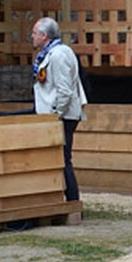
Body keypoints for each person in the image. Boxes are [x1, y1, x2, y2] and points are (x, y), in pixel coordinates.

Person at [31, 16, 88, 211]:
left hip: (63, 116)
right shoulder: (50, 53)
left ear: (44, 35)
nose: (32, 37)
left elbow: (65, 90)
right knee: (59, 158)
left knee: (63, 159)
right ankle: (65, 200)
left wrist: (56, 114)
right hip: (55, 113)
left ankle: (73, 202)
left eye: (34, 33)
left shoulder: (59, 54)